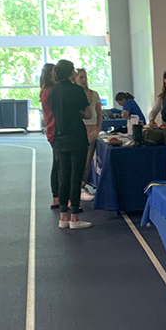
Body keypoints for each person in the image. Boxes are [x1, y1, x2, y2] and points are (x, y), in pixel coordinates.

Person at [50, 59, 91, 229]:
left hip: (60, 137)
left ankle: (63, 216)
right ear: (70, 72)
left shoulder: (52, 92)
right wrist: (79, 112)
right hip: (77, 136)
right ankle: (75, 216)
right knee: (76, 176)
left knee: (63, 176)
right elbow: (88, 114)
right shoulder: (76, 90)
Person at [75, 68, 102, 202]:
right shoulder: (73, 94)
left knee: (88, 158)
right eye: (81, 77)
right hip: (78, 128)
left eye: (85, 77)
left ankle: (82, 184)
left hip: (91, 128)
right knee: (78, 158)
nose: (84, 80)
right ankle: (76, 186)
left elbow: (98, 112)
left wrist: (98, 128)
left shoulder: (93, 94)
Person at [40, 63, 60, 209]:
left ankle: (56, 197)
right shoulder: (51, 92)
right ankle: (58, 197)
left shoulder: (44, 91)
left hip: (51, 129)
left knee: (57, 163)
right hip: (56, 130)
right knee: (59, 165)